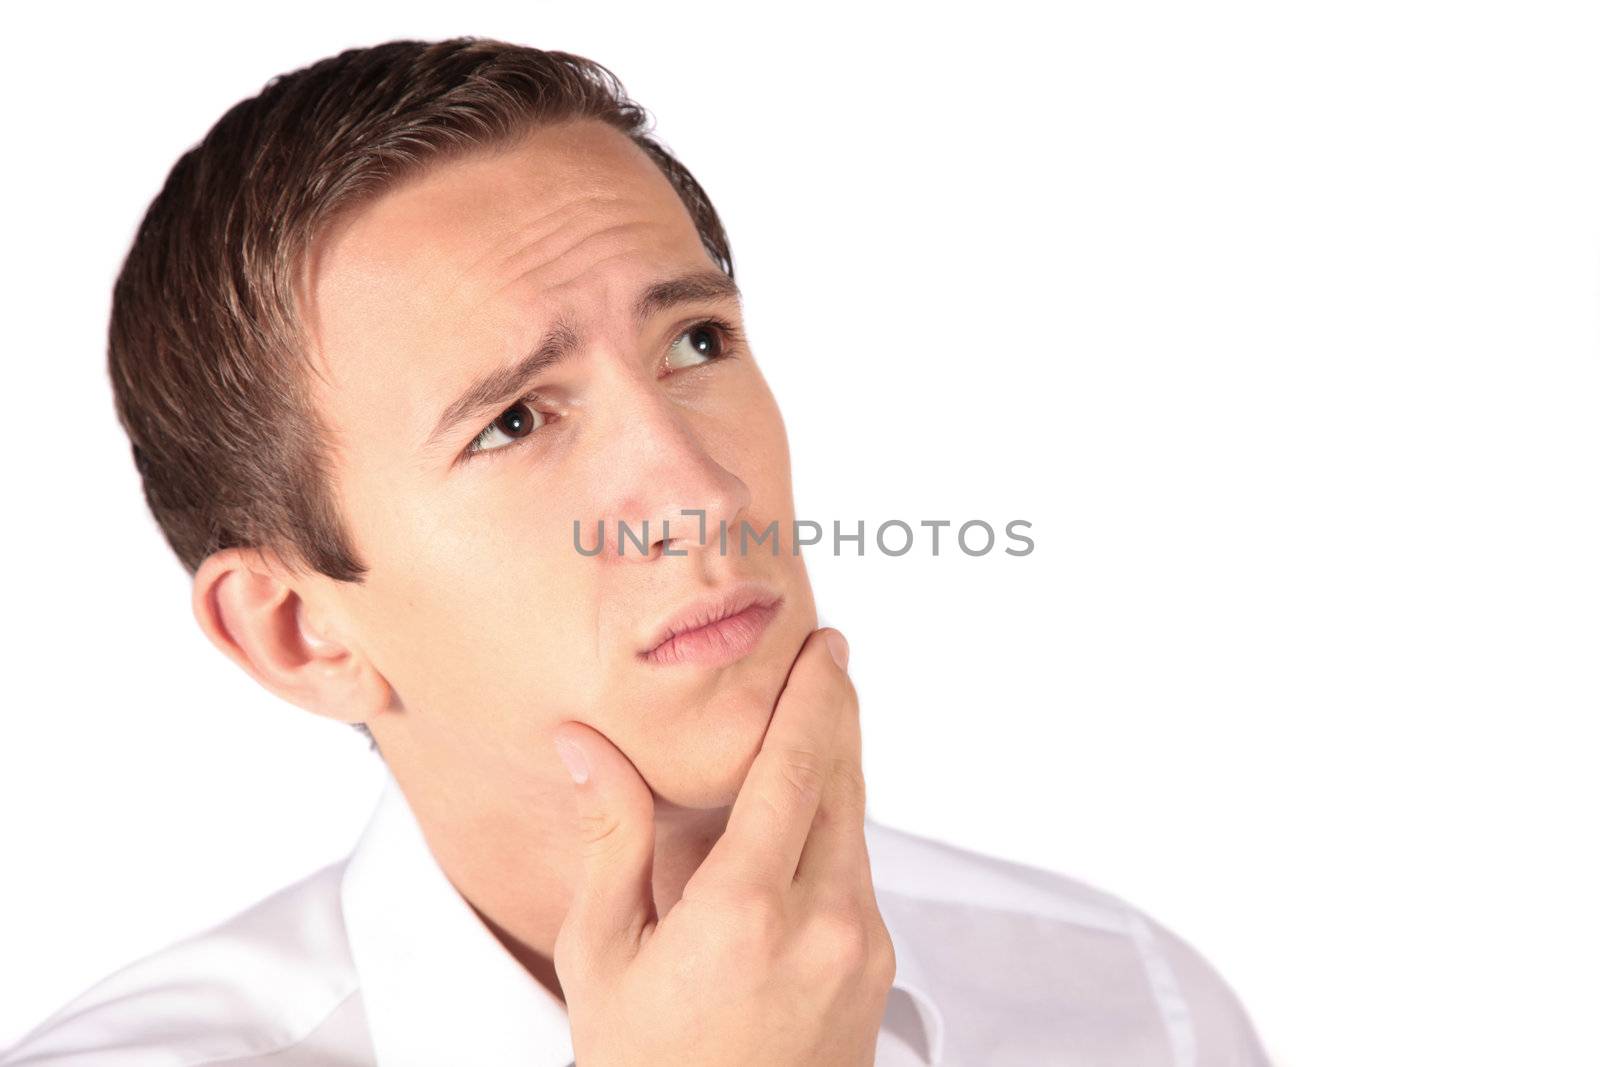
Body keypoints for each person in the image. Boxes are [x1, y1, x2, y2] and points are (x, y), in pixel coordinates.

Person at [0, 36, 1271, 1067]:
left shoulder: (1130, 1006)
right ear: (301, 630)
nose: (698, 491)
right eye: (513, 421)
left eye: (696, 344)